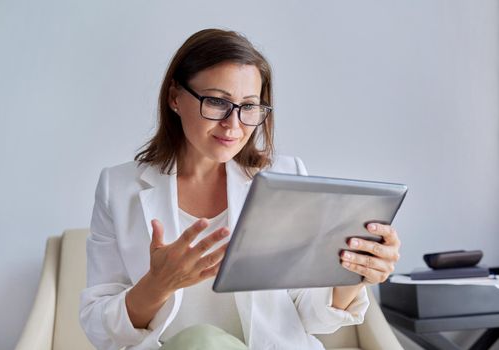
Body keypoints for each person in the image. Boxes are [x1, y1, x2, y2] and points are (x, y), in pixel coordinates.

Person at [79, 28, 401, 350]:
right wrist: (157, 285)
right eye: (217, 102)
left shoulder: (287, 177)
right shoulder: (119, 188)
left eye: (249, 106)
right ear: (175, 97)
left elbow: (313, 316)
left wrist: (357, 275)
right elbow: (100, 327)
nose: (233, 125)